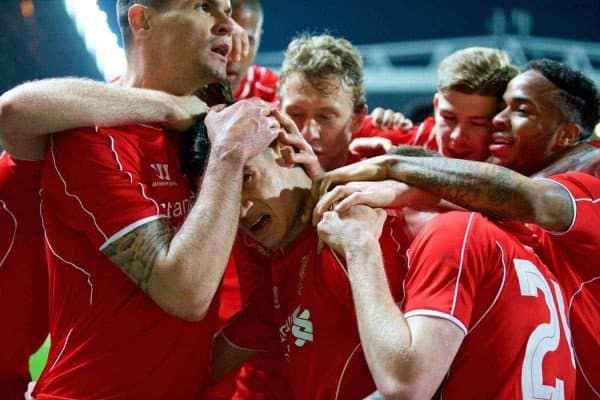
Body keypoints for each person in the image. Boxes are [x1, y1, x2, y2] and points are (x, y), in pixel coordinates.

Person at [2, 1, 280, 399]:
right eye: (205, 7)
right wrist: (224, 150)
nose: (228, 25)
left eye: (228, 11)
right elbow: (186, 291)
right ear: (142, 19)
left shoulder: (212, 129)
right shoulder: (92, 138)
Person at [313, 59, 600, 398]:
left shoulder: (589, 185)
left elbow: (524, 196)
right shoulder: (508, 226)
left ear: (566, 134)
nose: (499, 121)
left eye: (521, 110)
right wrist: (403, 179)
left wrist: (392, 166)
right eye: (501, 108)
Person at [352, 47, 518, 161]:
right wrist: (350, 158)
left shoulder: (523, 173)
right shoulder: (390, 141)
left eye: (477, 123)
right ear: (436, 106)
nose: (457, 136)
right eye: (449, 117)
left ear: (501, 120)